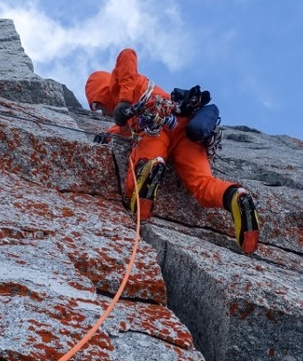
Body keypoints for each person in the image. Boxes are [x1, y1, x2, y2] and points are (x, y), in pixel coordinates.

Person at [84, 48, 261, 254]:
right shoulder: (125, 110)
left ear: (98, 96)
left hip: (156, 127)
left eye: (97, 107)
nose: (102, 112)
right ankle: (235, 196)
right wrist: (108, 133)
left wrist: (122, 101)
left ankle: (149, 175)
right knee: (202, 184)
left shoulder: (118, 86)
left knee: (147, 161)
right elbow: (121, 129)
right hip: (184, 129)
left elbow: (127, 54)